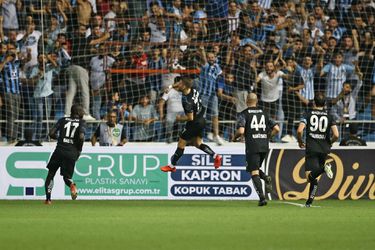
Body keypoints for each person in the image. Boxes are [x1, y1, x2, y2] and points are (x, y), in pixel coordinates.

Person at [160, 76, 222, 172]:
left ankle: (172, 166)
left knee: (181, 143)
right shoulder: (193, 90)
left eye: (180, 84)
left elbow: (190, 118)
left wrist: (180, 119)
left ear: (184, 86)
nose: (178, 85)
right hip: (202, 120)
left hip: (194, 122)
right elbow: (181, 84)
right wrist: (170, 86)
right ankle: (215, 156)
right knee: (198, 143)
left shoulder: (187, 101)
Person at [233, 93, 280, 206]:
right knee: (253, 168)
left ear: (246, 100)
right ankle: (265, 177)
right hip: (264, 145)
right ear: (257, 101)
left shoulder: (244, 114)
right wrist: (267, 137)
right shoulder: (264, 113)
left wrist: (234, 138)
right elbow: (277, 129)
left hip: (252, 145)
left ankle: (262, 198)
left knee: (253, 171)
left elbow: (241, 131)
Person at [297, 92, 339, 207]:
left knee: (309, 177)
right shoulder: (329, 116)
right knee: (314, 177)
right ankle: (309, 202)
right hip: (324, 148)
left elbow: (300, 130)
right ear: (324, 103)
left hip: (312, 147)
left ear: (314, 102)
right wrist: (329, 143)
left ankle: (324, 169)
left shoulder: (307, 114)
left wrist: (300, 141)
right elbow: (336, 134)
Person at [44, 104, 86, 205]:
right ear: (79, 112)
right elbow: (81, 137)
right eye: (82, 111)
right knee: (66, 177)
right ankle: (72, 185)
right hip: (71, 152)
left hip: (59, 150)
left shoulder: (62, 120)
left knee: (51, 174)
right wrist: (79, 150)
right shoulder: (82, 122)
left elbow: (51, 133)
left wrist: (60, 138)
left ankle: (48, 199)